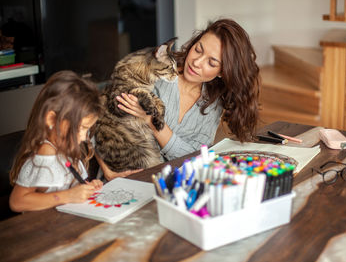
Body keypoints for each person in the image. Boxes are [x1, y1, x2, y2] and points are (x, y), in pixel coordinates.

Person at [100, 18, 260, 180]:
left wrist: (151, 121)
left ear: (222, 72)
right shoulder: (155, 73)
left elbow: (194, 157)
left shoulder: (212, 105)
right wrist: (108, 172)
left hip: (168, 184)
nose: (197, 62)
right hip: (120, 177)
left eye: (211, 62)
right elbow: (93, 116)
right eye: (198, 50)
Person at [9, 70, 103, 212]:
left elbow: (66, 187)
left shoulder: (66, 150)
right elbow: (17, 202)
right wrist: (68, 196)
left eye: (87, 130)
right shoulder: (44, 156)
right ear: (52, 119)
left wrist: (84, 188)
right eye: (81, 128)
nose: (84, 137)